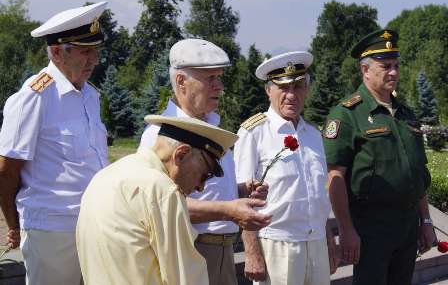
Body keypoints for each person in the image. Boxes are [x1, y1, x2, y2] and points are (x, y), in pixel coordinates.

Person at [139, 38, 271, 285]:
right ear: (181, 82)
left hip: (223, 251)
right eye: (210, 78)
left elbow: (206, 193)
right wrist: (229, 210)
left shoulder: (211, 126)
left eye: (220, 78)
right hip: (189, 251)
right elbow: (158, 206)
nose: (220, 86)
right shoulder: (160, 136)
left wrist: (241, 191)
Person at [0, 2, 109, 285]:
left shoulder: (89, 96)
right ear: (58, 52)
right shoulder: (34, 97)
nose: (94, 59)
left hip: (95, 225)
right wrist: (14, 223)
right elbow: (6, 170)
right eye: (86, 51)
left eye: (96, 50)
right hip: (52, 231)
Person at [323, 29, 436, 285]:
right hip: (370, 228)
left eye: (396, 65)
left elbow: (417, 172)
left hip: (407, 226)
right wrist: (346, 229)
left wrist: (426, 220)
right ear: (365, 70)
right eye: (386, 66)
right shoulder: (347, 115)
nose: (394, 72)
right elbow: (334, 177)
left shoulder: (405, 114)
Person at [77, 115, 239, 284]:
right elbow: (185, 278)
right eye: (205, 175)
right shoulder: (162, 190)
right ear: (181, 155)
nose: (201, 187)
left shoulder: (105, 175)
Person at [234, 51, 339, 285]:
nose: (291, 95)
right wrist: (251, 252)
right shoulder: (253, 133)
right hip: (277, 246)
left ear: (307, 89)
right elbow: (243, 201)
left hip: (317, 244)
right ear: (268, 90)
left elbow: (318, 196)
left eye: (298, 86)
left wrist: (329, 241)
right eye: (283, 87)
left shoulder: (312, 134)